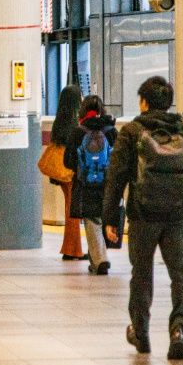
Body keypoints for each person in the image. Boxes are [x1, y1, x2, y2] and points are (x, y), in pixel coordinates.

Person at [103, 76, 183, 361]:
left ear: (143, 102)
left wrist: (109, 218)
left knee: (141, 273)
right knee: (180, 272)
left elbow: (115, 177)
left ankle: (140, 331)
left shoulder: (131, 132)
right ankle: (178, 330)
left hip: (143, 215)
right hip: (178, 214)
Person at [70, 94, 116, 274]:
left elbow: (68, 160)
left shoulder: (79, 131)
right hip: (108, 182)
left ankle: (99, 260)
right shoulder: (111, 130)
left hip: (86, 183)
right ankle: (99, 257)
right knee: (105, 217)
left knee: (92, 219)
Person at [49, 85, 88, 262]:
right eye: (80, 97)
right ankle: (73, 250)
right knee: (73, 212)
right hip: (71, 172)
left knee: (69, 209)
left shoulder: (60, 122)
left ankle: (70, 248)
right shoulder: (74, 125)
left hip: (63, 173)